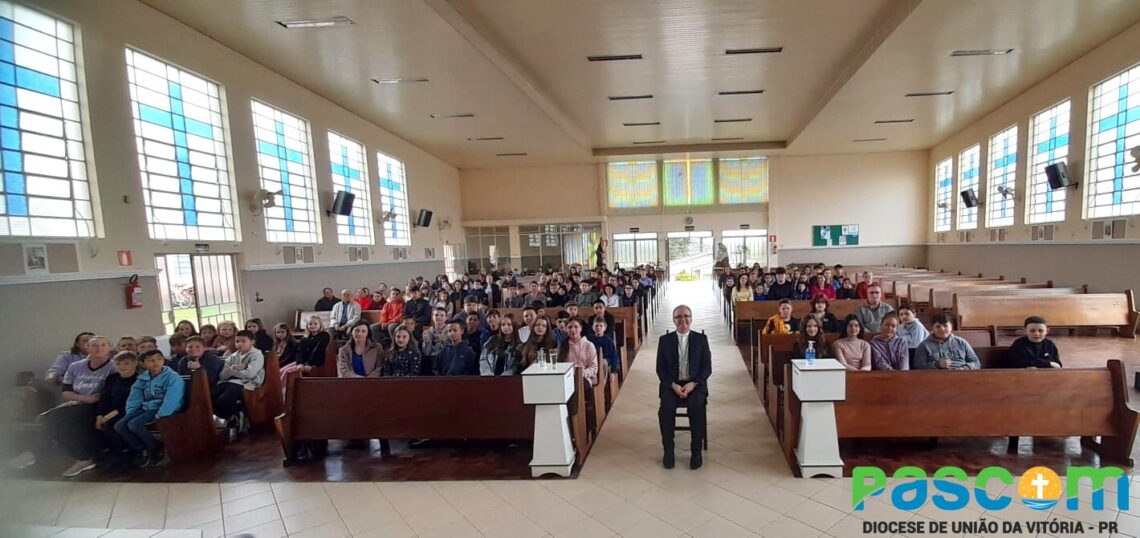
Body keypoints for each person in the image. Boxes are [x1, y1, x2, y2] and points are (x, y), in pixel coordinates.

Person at [656, 305, 711, 470]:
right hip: (671, 384)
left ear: (691, 318)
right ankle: (669, 450)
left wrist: (693, 384)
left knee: (696, 407)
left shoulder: (701, 339)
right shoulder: (664, 341)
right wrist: (673, 385)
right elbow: (660, 369)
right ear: (673, 320)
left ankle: (696, 450)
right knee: (666, 409)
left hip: (695, 384)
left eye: (686, 316)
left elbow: (707, 368)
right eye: (678, 317)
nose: (683, 320)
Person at [54, 335, 116, 477]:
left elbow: (109, 395)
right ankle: (35, 453)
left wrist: (89, 401)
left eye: (103, 345)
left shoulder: (113, 367)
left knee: (67, 421)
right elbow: (66, 392)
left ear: (109, 348)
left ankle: (84, 459)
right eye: (94, 345)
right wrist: (83, 398)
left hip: (99, 406)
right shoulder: (75, 366)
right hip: (78, 402)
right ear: (87, 348)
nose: (98, 348)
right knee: (51, 419)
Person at [115, 349, 184, 467]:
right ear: (143, 363)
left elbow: (172, 399)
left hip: (162, 408)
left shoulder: (172, 377)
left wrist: (160, 416)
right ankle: (141, 448)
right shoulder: (143, 378)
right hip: (147, 407)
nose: (155, 362)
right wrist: (131, 412)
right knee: (119, 425)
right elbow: (134, 397)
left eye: (159, 359)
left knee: (134, 424)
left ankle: (155, 447)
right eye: (150, 360)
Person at [95, 351, 139, 468]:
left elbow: (132, 402)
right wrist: (100, 414)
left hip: (130, 410)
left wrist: (110, 415)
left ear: (135, 364)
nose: (122, 367)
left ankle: (126, 454)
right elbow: (105, 397)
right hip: (111, 410)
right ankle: (105, 454)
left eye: (126, 363)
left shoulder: (140, 379)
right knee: (94, 424)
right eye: (118, 364)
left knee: (113, 425)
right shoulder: (112, 378)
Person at [214, 330, 265, 426]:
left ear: (252, 342)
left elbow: (250, 374)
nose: (239, 344)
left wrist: (231, 371)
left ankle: (235, 415)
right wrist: (235, 369)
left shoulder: (257, 355)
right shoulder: (233, 356)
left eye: (243, 341)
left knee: (223, 400)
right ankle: (234, 414)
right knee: (212, 396)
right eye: (237, 341)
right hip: (229, 382)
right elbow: (222, 375)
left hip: (247, 383)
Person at [915, 314, 980, 370]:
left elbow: (976, 362)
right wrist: (937, 365)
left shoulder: (961, 342)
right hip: (937, 379)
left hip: (963, 375)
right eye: (938, 326)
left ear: (951, 327)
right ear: (932, 328)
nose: (942, 329)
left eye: (945, 325)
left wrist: (964, 368)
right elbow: (918, 366)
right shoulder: (924, 345)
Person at [282, 315, 332, 381]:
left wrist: (309, 364)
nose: (313, 326)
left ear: (320, 325)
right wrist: (299, 363)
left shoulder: (324, 335)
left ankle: (287, 390)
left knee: (289, 372)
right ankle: (279, 390)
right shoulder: (305, 338)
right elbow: (299, 352)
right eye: (310, 324)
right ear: (307, 326)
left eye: (315, 324)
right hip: (303, 363)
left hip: (315, 363)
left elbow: (317, 350)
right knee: (283, 370)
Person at [558, 319, 598, 386]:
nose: (573, 330)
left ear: (581, 328)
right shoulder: (563, 345)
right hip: (567, 378)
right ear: (566, 329)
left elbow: (594, 367)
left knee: (578, 384)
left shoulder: (589, 345)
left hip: (584, 377)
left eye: (576, 327)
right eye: (570, 327)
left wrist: (582, 373)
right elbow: (559, 365)